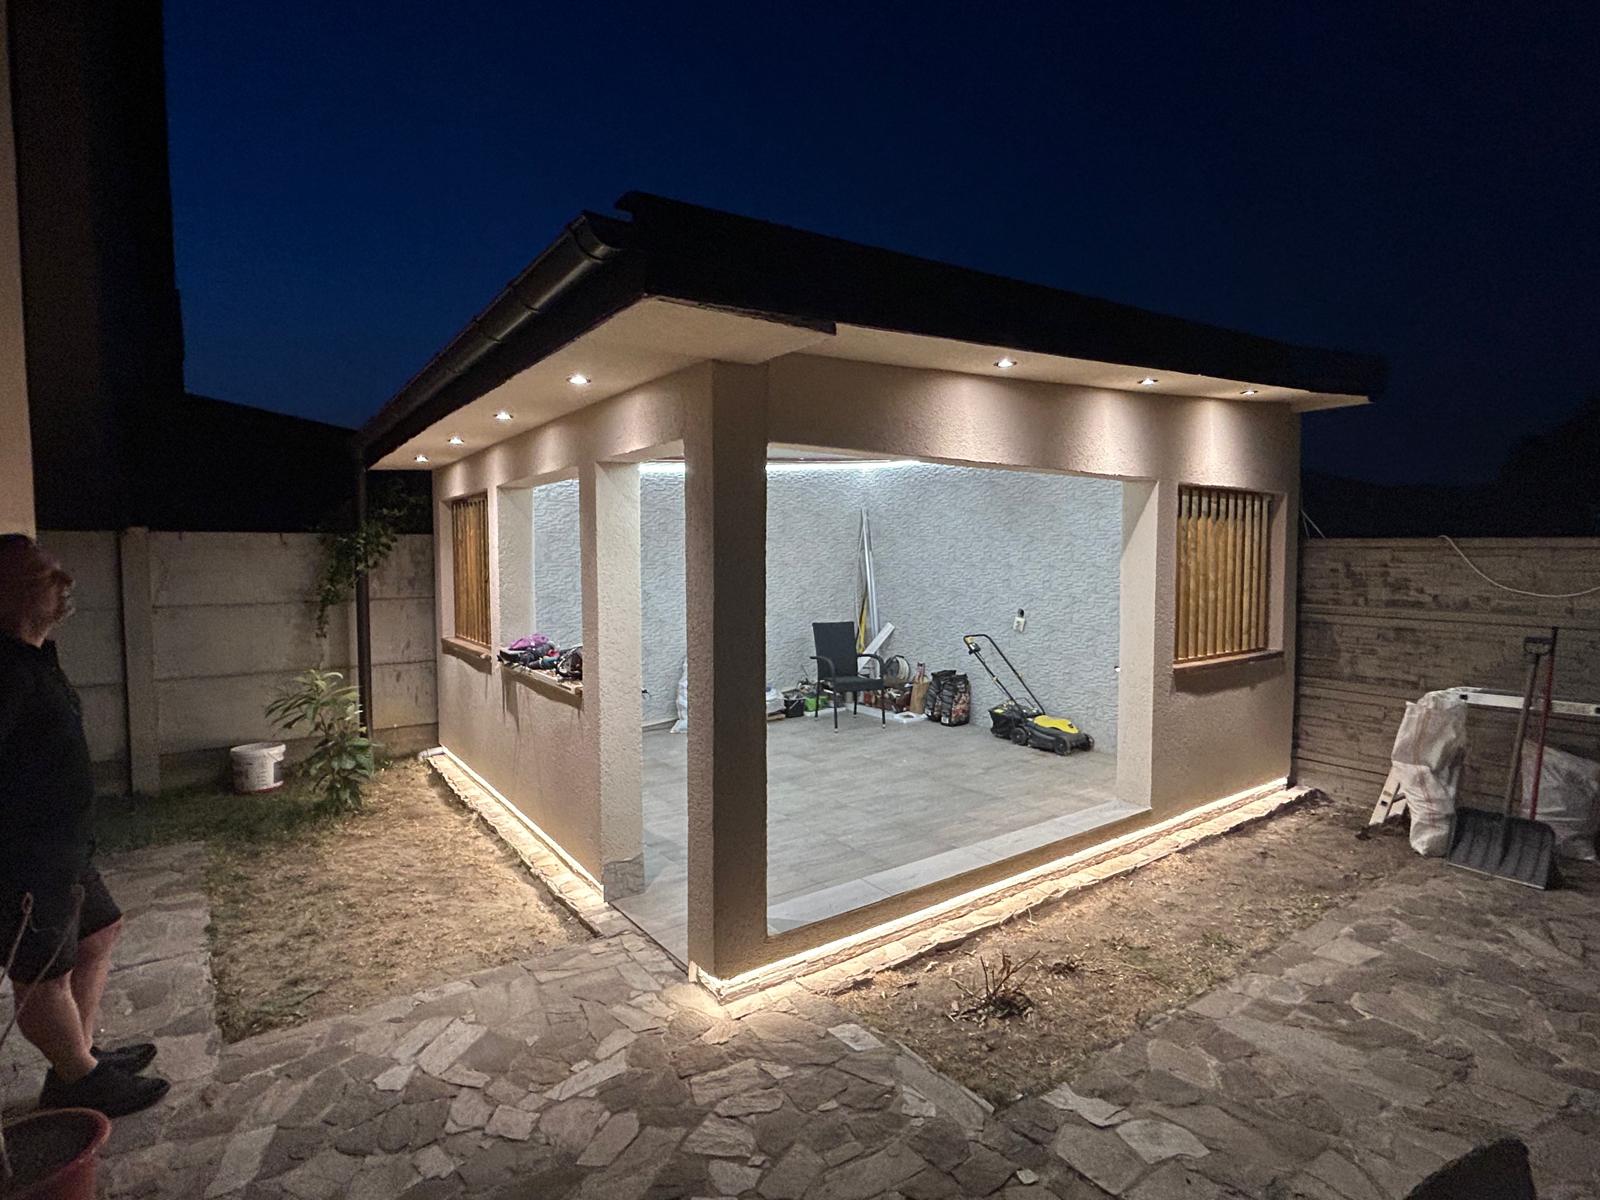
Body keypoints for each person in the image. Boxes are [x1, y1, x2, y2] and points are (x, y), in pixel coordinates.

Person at [0, 533, 169, 1116]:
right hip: (25, 857)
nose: (66, 583)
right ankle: (77, 1076)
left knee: (100, 931)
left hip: (64, 847)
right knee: (41, 974)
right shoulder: (3, 673)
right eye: (48, 575)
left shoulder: (34, 656)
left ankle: (78, 1056)